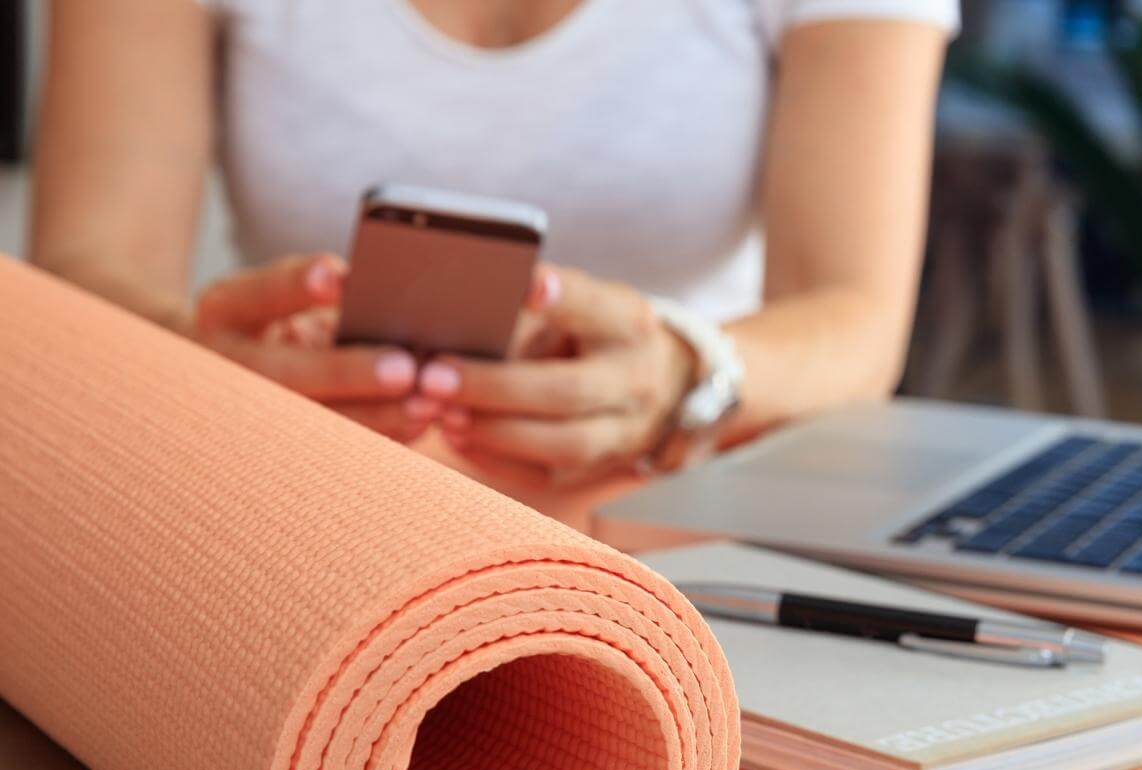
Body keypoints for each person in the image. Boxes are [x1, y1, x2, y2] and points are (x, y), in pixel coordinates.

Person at [29, 0, 954, 486]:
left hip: (684, 510)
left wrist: (684, 370)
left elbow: (857, 317)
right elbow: (81, 274)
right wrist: (204, 358)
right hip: (305, 492)